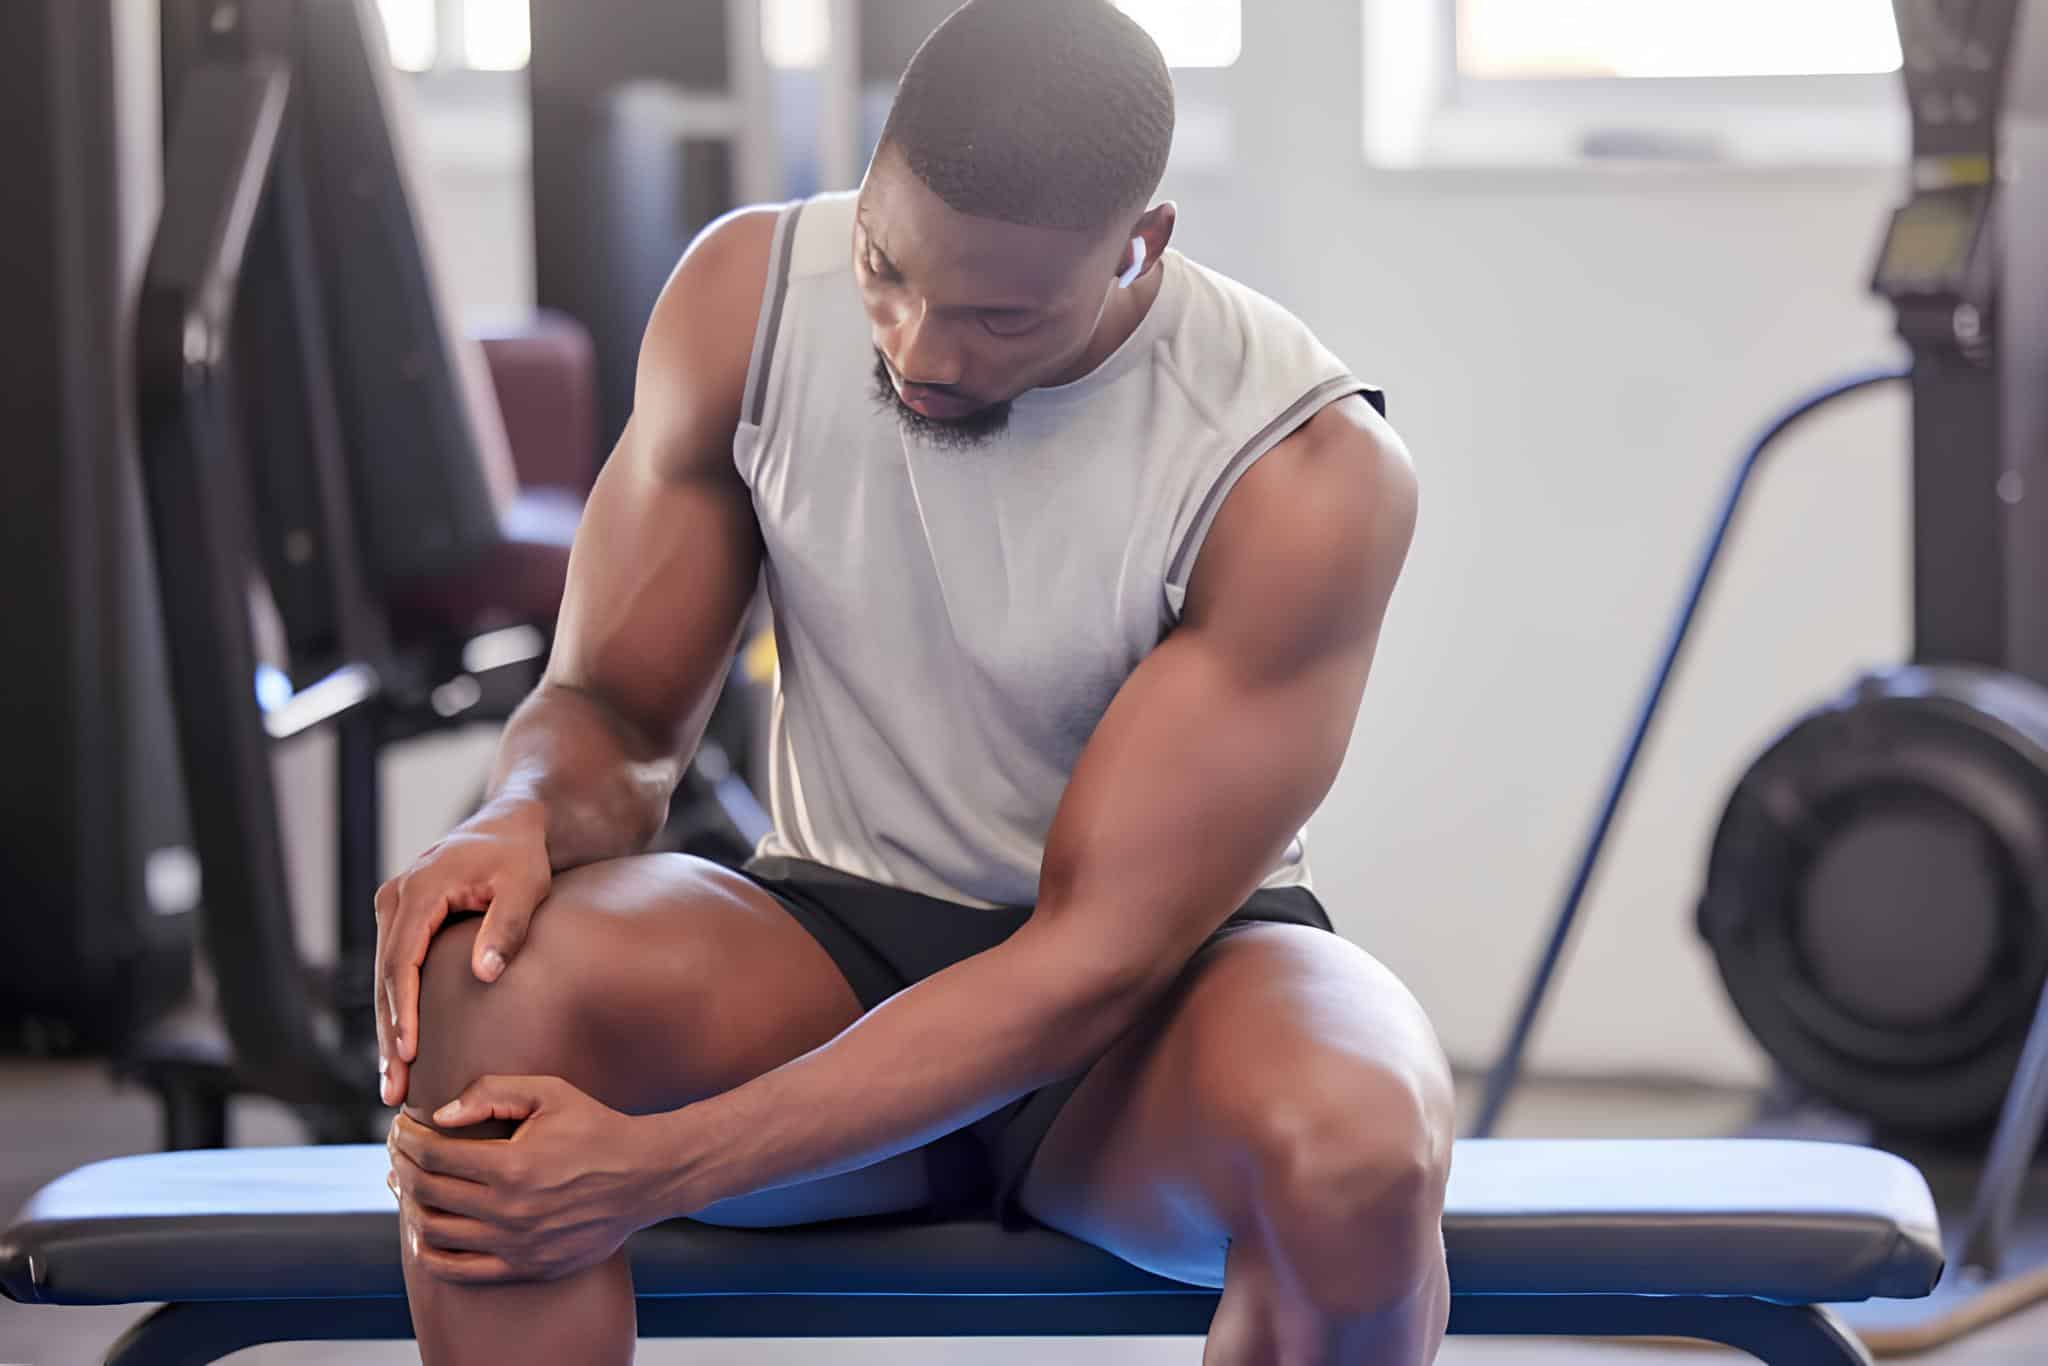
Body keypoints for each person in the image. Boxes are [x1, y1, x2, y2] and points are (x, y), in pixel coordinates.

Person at [374, 2, 1451, 1361]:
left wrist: (656, 1166)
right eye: (890, 269)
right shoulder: (745, 304)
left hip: (1150, 1019)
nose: (921, 351)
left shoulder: (1299, 470)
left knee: (1359, 1152)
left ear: (1142, 246)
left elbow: (1087, 960)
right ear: (873, 176)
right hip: (828, 954)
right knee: (482, 966)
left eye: (1002, 313)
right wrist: (517, 811)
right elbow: (611, 715)